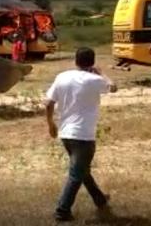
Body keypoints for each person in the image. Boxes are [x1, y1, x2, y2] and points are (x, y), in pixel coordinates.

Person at [45, 47, 117, 222]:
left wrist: (51, 124)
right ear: (92, 62)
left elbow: (48, 103)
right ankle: (62, 211)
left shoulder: (62, 77)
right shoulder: (94, 80)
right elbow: (113, 87)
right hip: (83, 134)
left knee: (82, 170)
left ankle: (99, 199)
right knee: (76, 173)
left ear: (75, 61)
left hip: (66, 133)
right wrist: (102, 73)